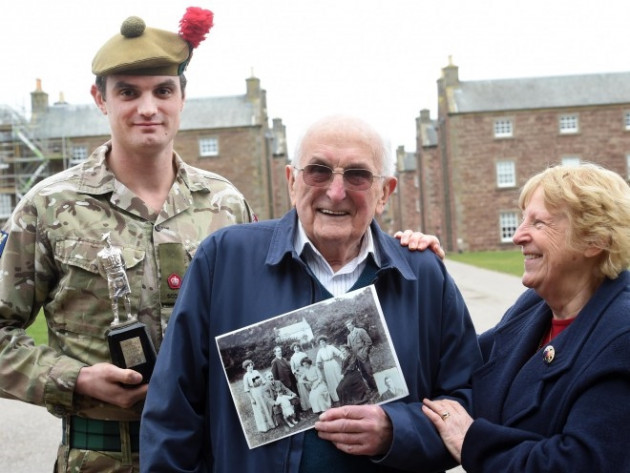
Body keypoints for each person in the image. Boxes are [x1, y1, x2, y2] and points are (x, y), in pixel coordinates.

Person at [140, 114, 482, 473]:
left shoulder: (422, 276)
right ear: (291, 181)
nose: (336, 192)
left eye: (358, 175)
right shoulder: (224, 260)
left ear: (385, 193)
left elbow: (468, 400)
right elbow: (171, 413)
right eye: (318, 171)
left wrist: (397, 431)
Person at [0, 8, 255, 472]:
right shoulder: (49, 206)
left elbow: (268, 315)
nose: (148, 108)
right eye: (128, 93)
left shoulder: (227, 204)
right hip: (101, 458)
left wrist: (402, 250)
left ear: (182, 96)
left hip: (213, 455)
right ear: (100, 99)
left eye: (163, 90)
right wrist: (76, 379)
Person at [422, 163, 630, 472]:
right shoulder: (535, 305)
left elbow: (577, 463)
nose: (518, 236)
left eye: (539, 223)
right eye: (522, 220)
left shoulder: (621, 336)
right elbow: (459, 364)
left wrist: (473, 443)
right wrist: (417, 267)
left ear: (594, 240)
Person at [243, 361, 277, 433]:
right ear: (246, 368)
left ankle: (272, 424)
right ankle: (265, 427)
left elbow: (264, 381)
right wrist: (251, 399)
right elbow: (246, 390)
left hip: (262, 391)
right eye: (249, 366)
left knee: (267, 407)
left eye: (251, 365)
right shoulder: (246, 376)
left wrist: (267, 389)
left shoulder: (256, 372)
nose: (251, 367)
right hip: (255, 393)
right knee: (260, 409)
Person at [345, 318, 377, 391]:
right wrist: (345, 348)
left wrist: (365, 352)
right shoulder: (349, 336)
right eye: (347, 326)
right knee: (363, 373)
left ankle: (377, 387)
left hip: (363, 356)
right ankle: (372, 388)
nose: (349, 327)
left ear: (353, 325)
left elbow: (369, 342)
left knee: (369, 372)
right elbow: (349, 347)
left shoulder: (360, 331)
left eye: (350, 325)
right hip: (357, 358)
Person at [314, 335, 344, 403]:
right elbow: (318, 361)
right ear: (319, 344)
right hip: (326, 365)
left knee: (338, 377)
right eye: (320, 342)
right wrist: (318, 367)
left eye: (323, 341)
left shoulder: (331, 347)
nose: (322, 343)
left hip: (333, 362)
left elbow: (339, 353)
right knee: (331, 380)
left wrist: (343, 357)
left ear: (325, 341)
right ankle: (336, 397)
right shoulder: (320, 351)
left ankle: (344, 392)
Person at [289, 342, 312, 412]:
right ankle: (308, 405)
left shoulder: (303, 354)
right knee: (303, 390)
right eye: (295, 347)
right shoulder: (292, 358)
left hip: (306, 370)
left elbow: (309, 363)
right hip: (299, 374)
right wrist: (297, 373)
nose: (297, 348)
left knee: (310, 386)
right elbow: (292, 369)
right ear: (293, 349)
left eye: (297, 347)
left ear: (299, 347)